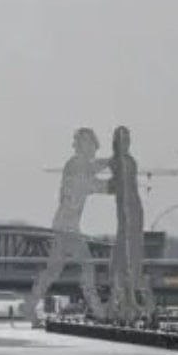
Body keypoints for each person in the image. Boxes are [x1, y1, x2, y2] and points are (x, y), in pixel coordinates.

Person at [27, 128, 108, 324]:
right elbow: (95, 181)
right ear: (84, 146)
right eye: (91, 146)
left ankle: (29, 306)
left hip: (64, 226)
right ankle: (97, 311)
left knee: (52, 271)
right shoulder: (76, 165)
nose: (93, 151)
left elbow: (94, 177)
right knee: (87, 267)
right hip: (68, 228)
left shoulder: (77, 166)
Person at [108, 126, 155, 322]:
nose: (126, 143)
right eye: (123, 139)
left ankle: (130, 294)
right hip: (126, 211)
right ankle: (125, 295)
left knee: (133, 249)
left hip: (133, 208)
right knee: (124, 248)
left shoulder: (128, 161)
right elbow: (119, 186)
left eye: (127, 139)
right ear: (117, 142)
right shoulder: (118, 162)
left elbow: (125, 186)